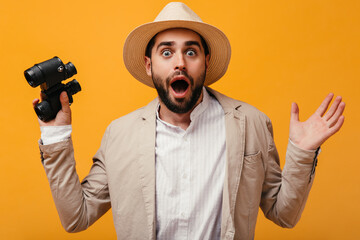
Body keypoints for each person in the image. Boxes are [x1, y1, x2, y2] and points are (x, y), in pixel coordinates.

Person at [33, 2, 345, 240]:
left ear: (206, 61)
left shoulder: (251, 123)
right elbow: (77, 217)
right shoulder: (120, 134)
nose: (179, 62)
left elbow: (283, 214)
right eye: (166, 53)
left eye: (191, 52)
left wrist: (302, 153)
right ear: (149, 65)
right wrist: (56, 136)